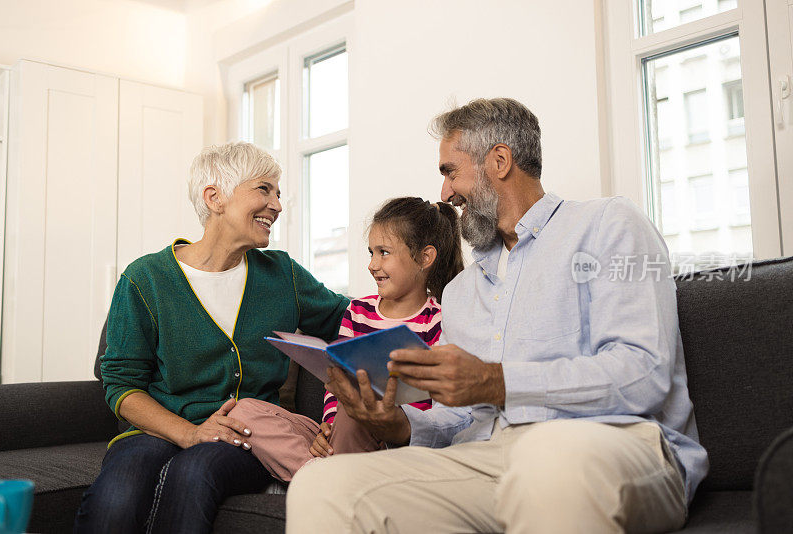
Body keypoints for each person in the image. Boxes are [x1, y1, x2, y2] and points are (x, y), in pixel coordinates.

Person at [286, 98, 709, 533]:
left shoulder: (608, 225)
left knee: (546, 460)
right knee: (322, 484)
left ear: (500, 160)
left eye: (450, 171)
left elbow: (645, 374)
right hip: (488, 459)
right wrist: (397, 423)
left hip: (614, 444)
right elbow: (461, 419)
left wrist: (498, 380)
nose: (445, 195)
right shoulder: (460, 292)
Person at [74, 142, 348, 534]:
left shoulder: (282, 273)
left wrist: (418, 301)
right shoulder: (145, 279)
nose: (277, 205)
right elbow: (121, 386)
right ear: (214, 197)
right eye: (264, 189)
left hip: (246, 434)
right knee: (117, 499)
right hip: (157, 430)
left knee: (194, 473)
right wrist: (189, 432)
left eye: (278, 193)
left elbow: (349, 318)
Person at [227, 196, 464, 478]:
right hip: (341, 432)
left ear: (424, 258)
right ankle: (319, 473)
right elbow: (333, 384)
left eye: (384, 253)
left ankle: (327, 478)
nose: (372, 264)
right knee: (244, 411)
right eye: (371, 253)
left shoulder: (438, 320)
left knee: (356, 409)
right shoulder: (357, 311)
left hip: (395, 444)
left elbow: (434, 409)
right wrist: (327, 428)